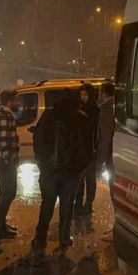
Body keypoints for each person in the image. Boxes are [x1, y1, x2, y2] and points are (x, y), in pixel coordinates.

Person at [31, 89, 93, 251]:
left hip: (50, 170)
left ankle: (40, 238)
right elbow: (88, 147)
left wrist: (42, 162)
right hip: (72, 172)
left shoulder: (49, 116)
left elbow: (38, 139)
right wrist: (82, 166)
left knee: (47, 205)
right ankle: (64, 238)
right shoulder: (81, 118)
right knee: (67, 206)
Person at [0, 90, 20, 242]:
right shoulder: (3, 115)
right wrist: (9, 160)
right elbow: (3, 142)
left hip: (2, 161)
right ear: (10, 100)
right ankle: (0, 227)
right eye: (16, 100)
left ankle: (1, 224)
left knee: (5, 191)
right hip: (4, 161)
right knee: (9, 192)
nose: (18, 103)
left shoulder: (2, 113)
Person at [74, 83, 100, 217]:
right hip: (80, 151)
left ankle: (88, 204)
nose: (83, 97)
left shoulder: (95, 110)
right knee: (79, 180)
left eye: (85, 95)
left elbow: (96, 132)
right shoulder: (78, 110)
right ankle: (78, 204)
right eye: (81, 95)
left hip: (91, 151)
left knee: (90, 179)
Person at [96, 82, 116, 186]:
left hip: (110, 155)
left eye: (99, 92)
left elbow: (105, 136)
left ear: (104, 94)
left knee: (113, 185)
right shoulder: (116, 107)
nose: (98, 96)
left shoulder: (105, 109)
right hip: (115, 152)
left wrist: (99, 163)